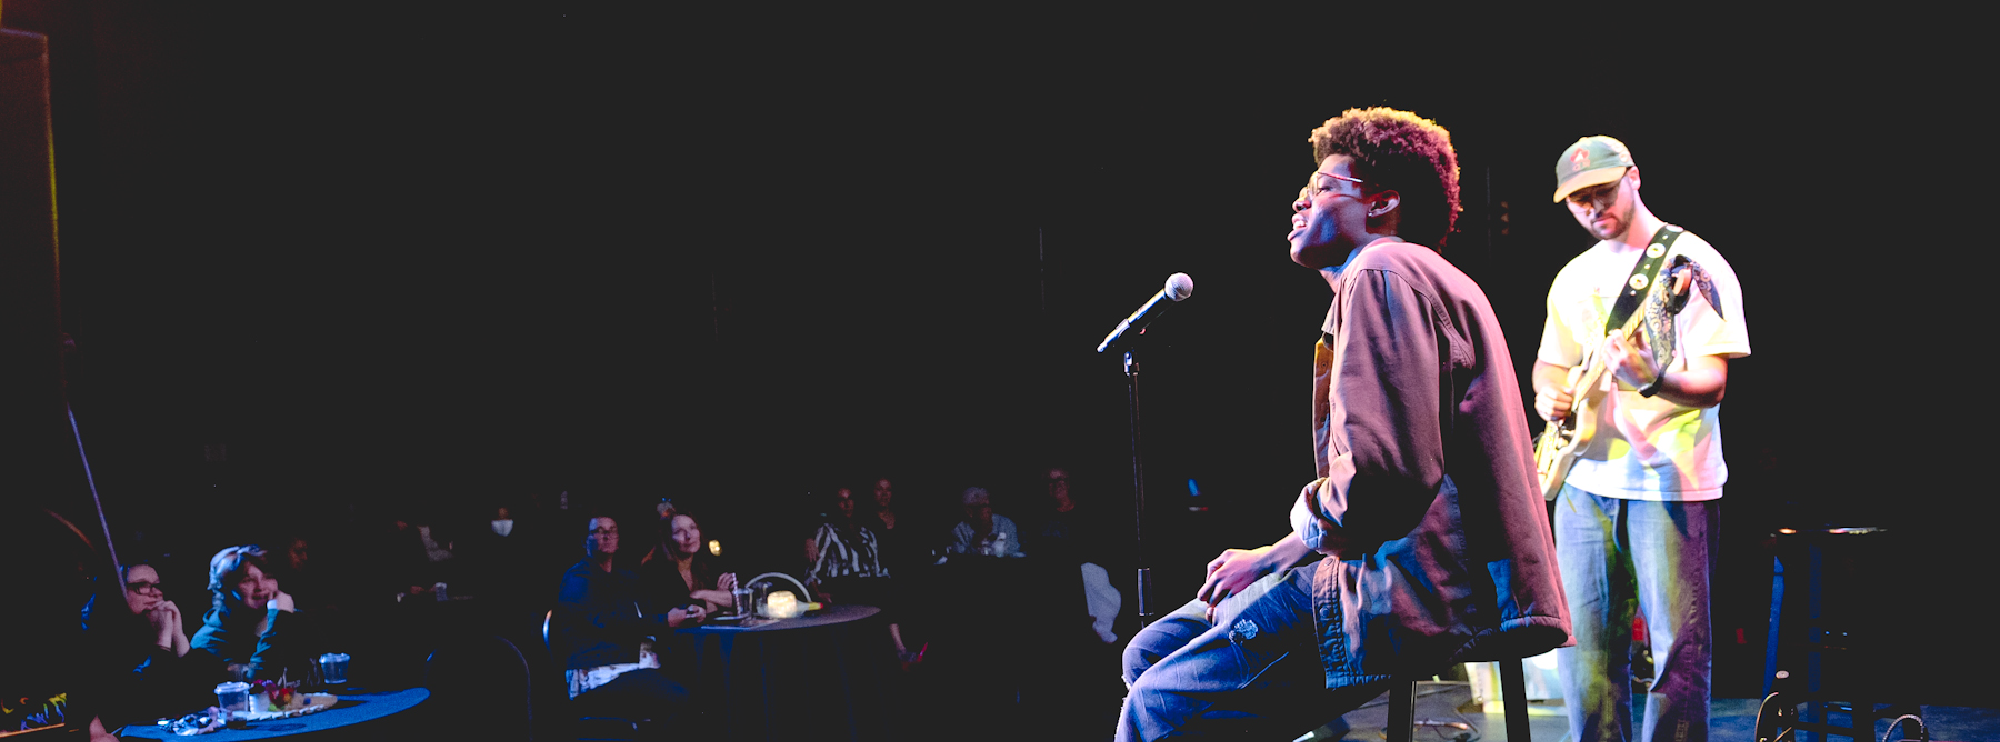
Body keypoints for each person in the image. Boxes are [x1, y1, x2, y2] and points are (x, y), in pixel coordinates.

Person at [1115, 108, 1570, 740]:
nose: (1299, 204)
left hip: (1414, 584)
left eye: (1323, 187)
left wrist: (1278, 551)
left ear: (1382, 204)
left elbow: (1384, 476)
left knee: (1159, 705)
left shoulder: (1382, 271)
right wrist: (1281, 556)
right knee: (1149, 653)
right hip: (1390, 564)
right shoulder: (1395, 278)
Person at [1535, 136, 1749, 742]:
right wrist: (1547, 393)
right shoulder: (1573, 275)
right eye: (1577, 199)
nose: (1590, 206)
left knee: (1676, 656)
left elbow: (1713, 381)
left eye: (1601, 191)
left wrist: (1651, 377)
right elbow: (1551, 364)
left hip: (1669, 479)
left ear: (1633, 177)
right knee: (1585, 655)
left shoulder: (1690, 263)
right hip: (1583, 480)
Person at [551, 515, 696, 729]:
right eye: (598, 531)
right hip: (598, 675)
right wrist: (665, 621)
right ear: (585, 540)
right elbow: (610, 623)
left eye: (612, 530)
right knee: (683, 700)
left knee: (701, 684)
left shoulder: (625, 579)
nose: (607, 535)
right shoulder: (578, 580)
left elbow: (650, 612)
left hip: (633, 667)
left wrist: (691, 610)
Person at [189, 545, 303, 681]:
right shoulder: (208, 642)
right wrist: (277, 626)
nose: (261, 587)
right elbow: (258, 688)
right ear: (225, 590)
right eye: (248, 580)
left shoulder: (293, 620)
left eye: (268, 577)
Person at [640, 513, 738, 614]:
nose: (689, 535)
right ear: (667, 538)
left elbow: (738, 600)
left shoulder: (705, 565)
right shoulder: (656, 570)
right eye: (679, 532)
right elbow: (686, 611)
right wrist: (717, 598)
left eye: (693, 528)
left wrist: (701, 594)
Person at [807, 487, 892, 604]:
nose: (847, 505)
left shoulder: (867, 534)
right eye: (841, 500)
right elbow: (813, 571)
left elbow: (877, 569)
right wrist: (818, 593)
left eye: (850, 499)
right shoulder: (828, 532)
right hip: (842, 587)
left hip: (868, 587)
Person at [946, 486, 1021, 558]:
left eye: (989, 505)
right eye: (984, 506)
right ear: (970, 512)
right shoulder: (959, 531)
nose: (989, 510)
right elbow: (958, 558)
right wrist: (980, 537)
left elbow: (1013, 553)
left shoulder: (1006, 524)